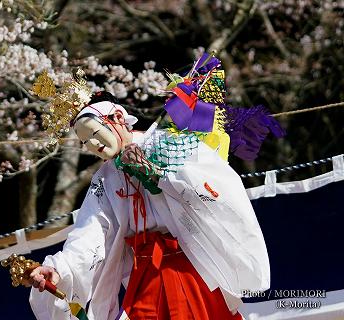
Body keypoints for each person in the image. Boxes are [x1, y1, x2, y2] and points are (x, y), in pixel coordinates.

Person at [28, 91, 271, 320]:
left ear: (119, 117)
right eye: (85, 142)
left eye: (94, 133)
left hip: (190, 268)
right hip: (145, 275)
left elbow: (217, 188)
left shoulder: (169, 142)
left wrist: (157, 175)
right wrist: (60, 270)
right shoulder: (104, 178)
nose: (93, 145)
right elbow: (89, 233)